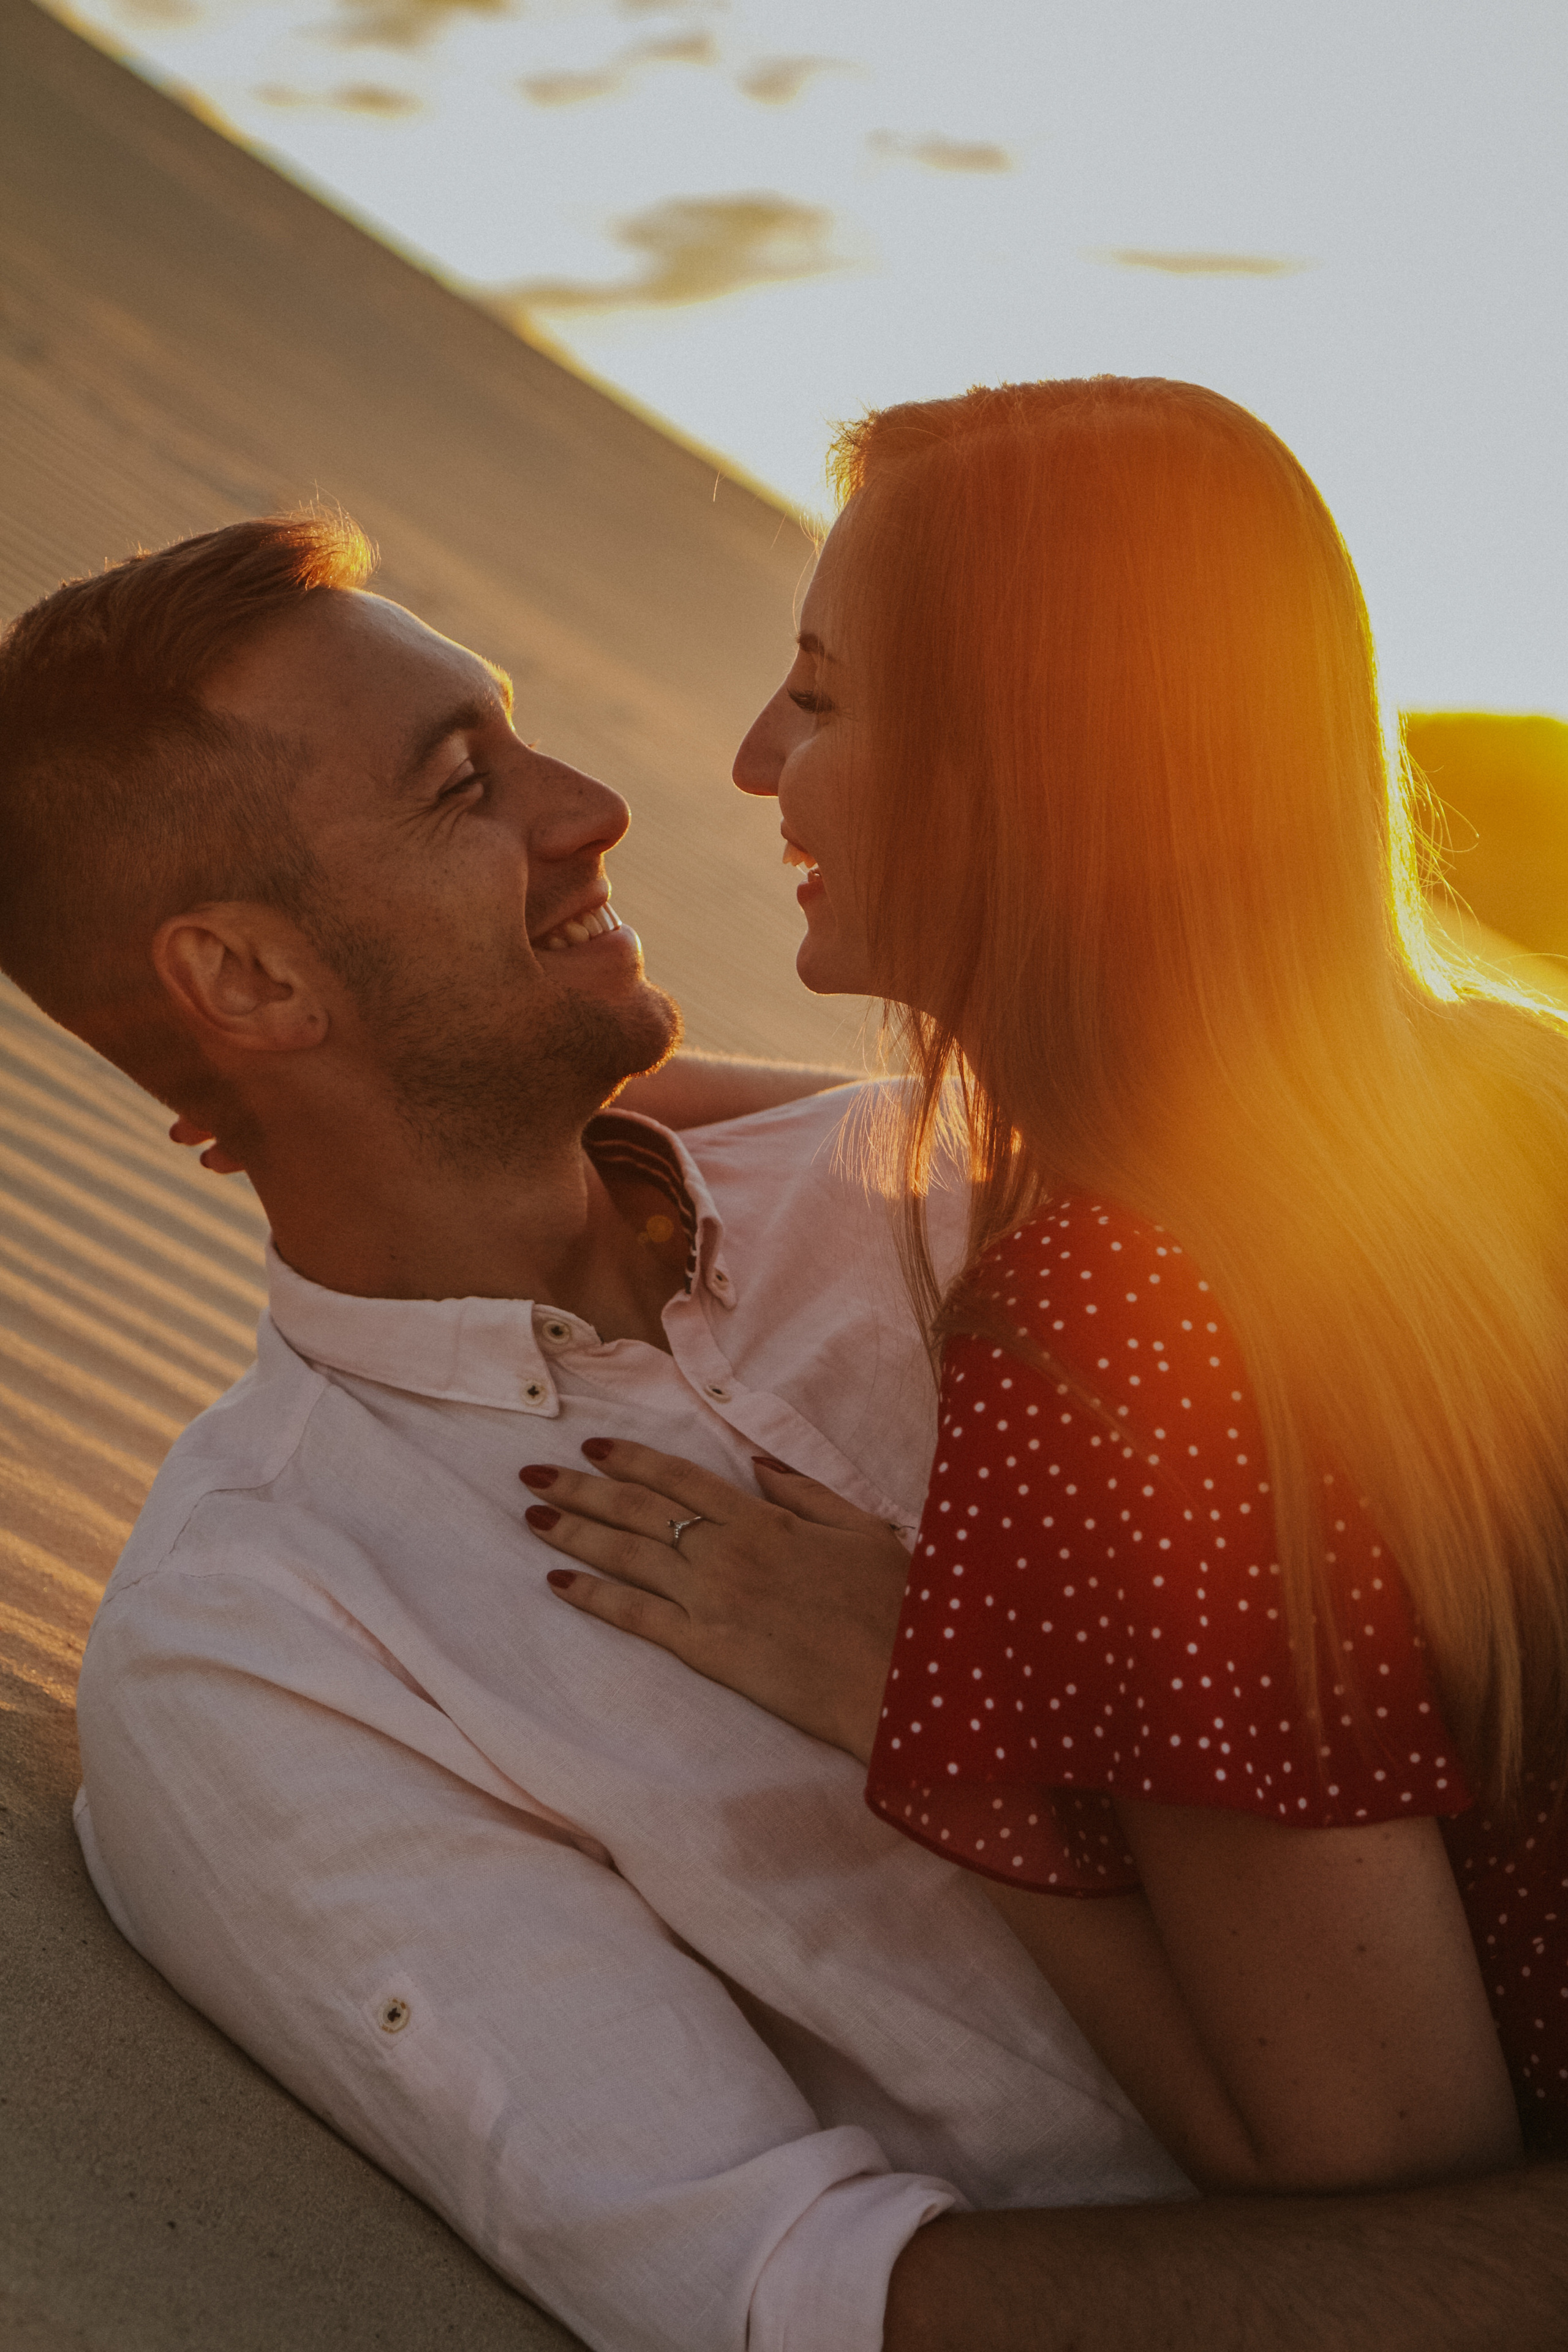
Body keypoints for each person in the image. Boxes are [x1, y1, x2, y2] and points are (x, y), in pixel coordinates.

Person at [0, 509, 1564, 2352]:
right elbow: (800, 2302)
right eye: (462, 786)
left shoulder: (983, 1179)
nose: (595, 804)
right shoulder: (272, 1647)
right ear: (250, 984)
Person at [523, 380, 1568, 2206]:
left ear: (1033, 766)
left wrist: (924, 1695)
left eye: (827, 696)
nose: (761, 760)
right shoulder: (1498, 1084)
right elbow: (908, 1123)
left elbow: (1380, 2152)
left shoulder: (1117, 1325)